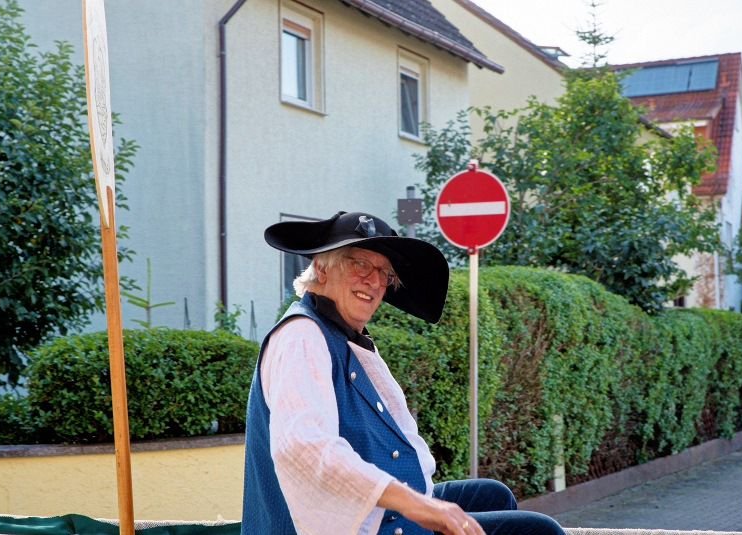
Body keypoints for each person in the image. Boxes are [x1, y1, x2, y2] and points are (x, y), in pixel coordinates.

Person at [241, 211, 565, 535]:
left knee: (491, 495)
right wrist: (417, 505)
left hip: (376, 513)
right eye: (361, 265)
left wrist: (425, 499)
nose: (374, 281)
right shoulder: (301, 335)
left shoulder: (343, 336)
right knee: (538, 532)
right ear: (323, 268)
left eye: (384, 273)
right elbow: (305, 449)